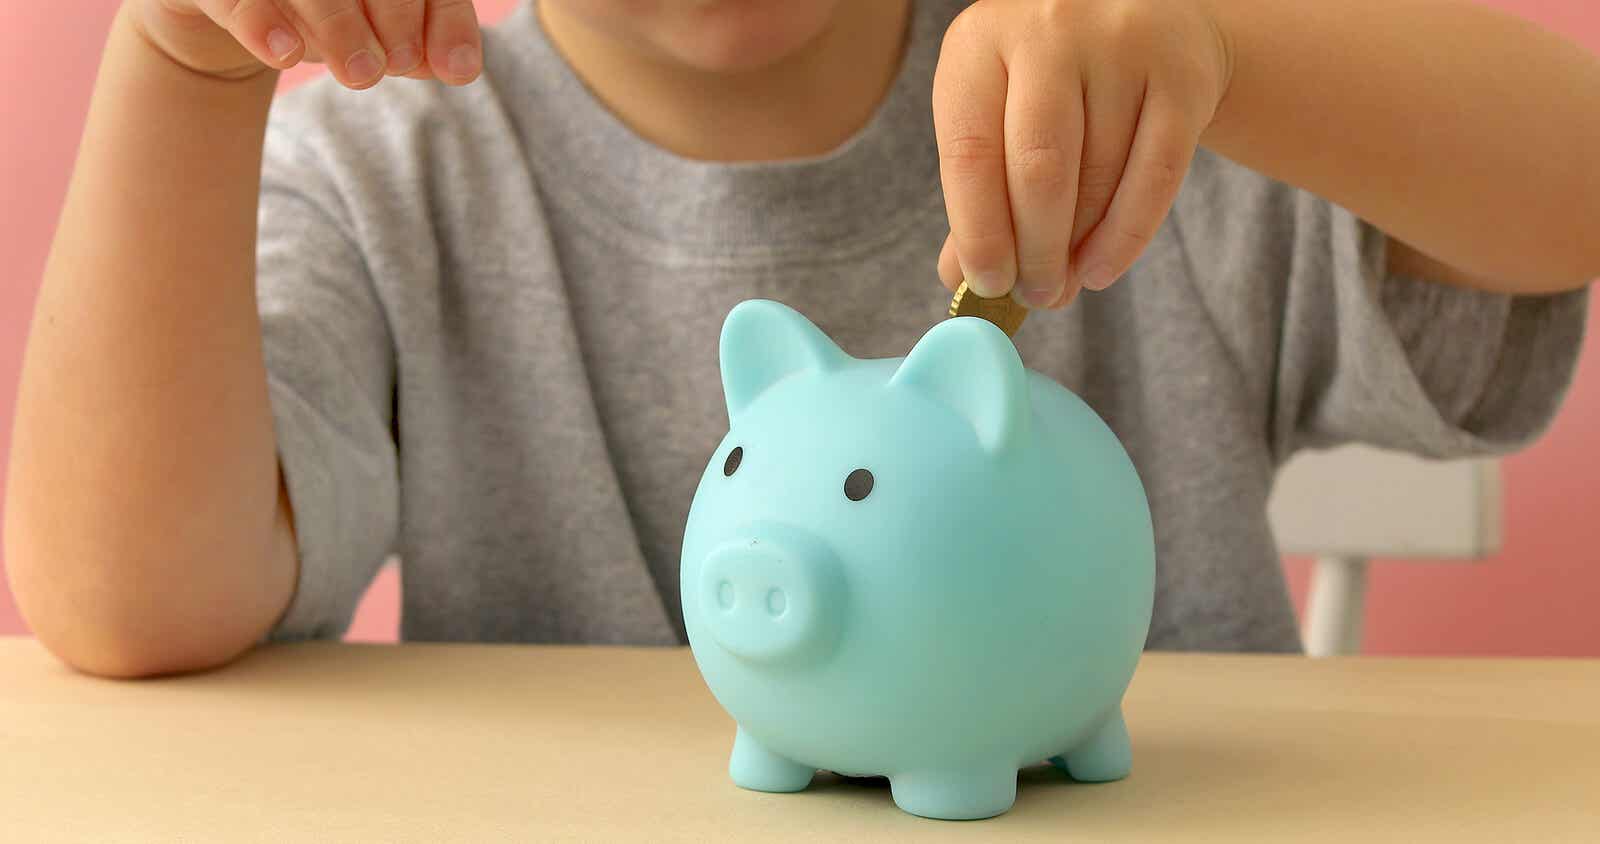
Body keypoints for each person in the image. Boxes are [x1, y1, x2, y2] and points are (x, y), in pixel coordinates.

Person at [6, 0, 1594, 677]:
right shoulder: (387, 174)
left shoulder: (1127, 110)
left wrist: (1227, 46)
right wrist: (182, 58)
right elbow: (126, 605)